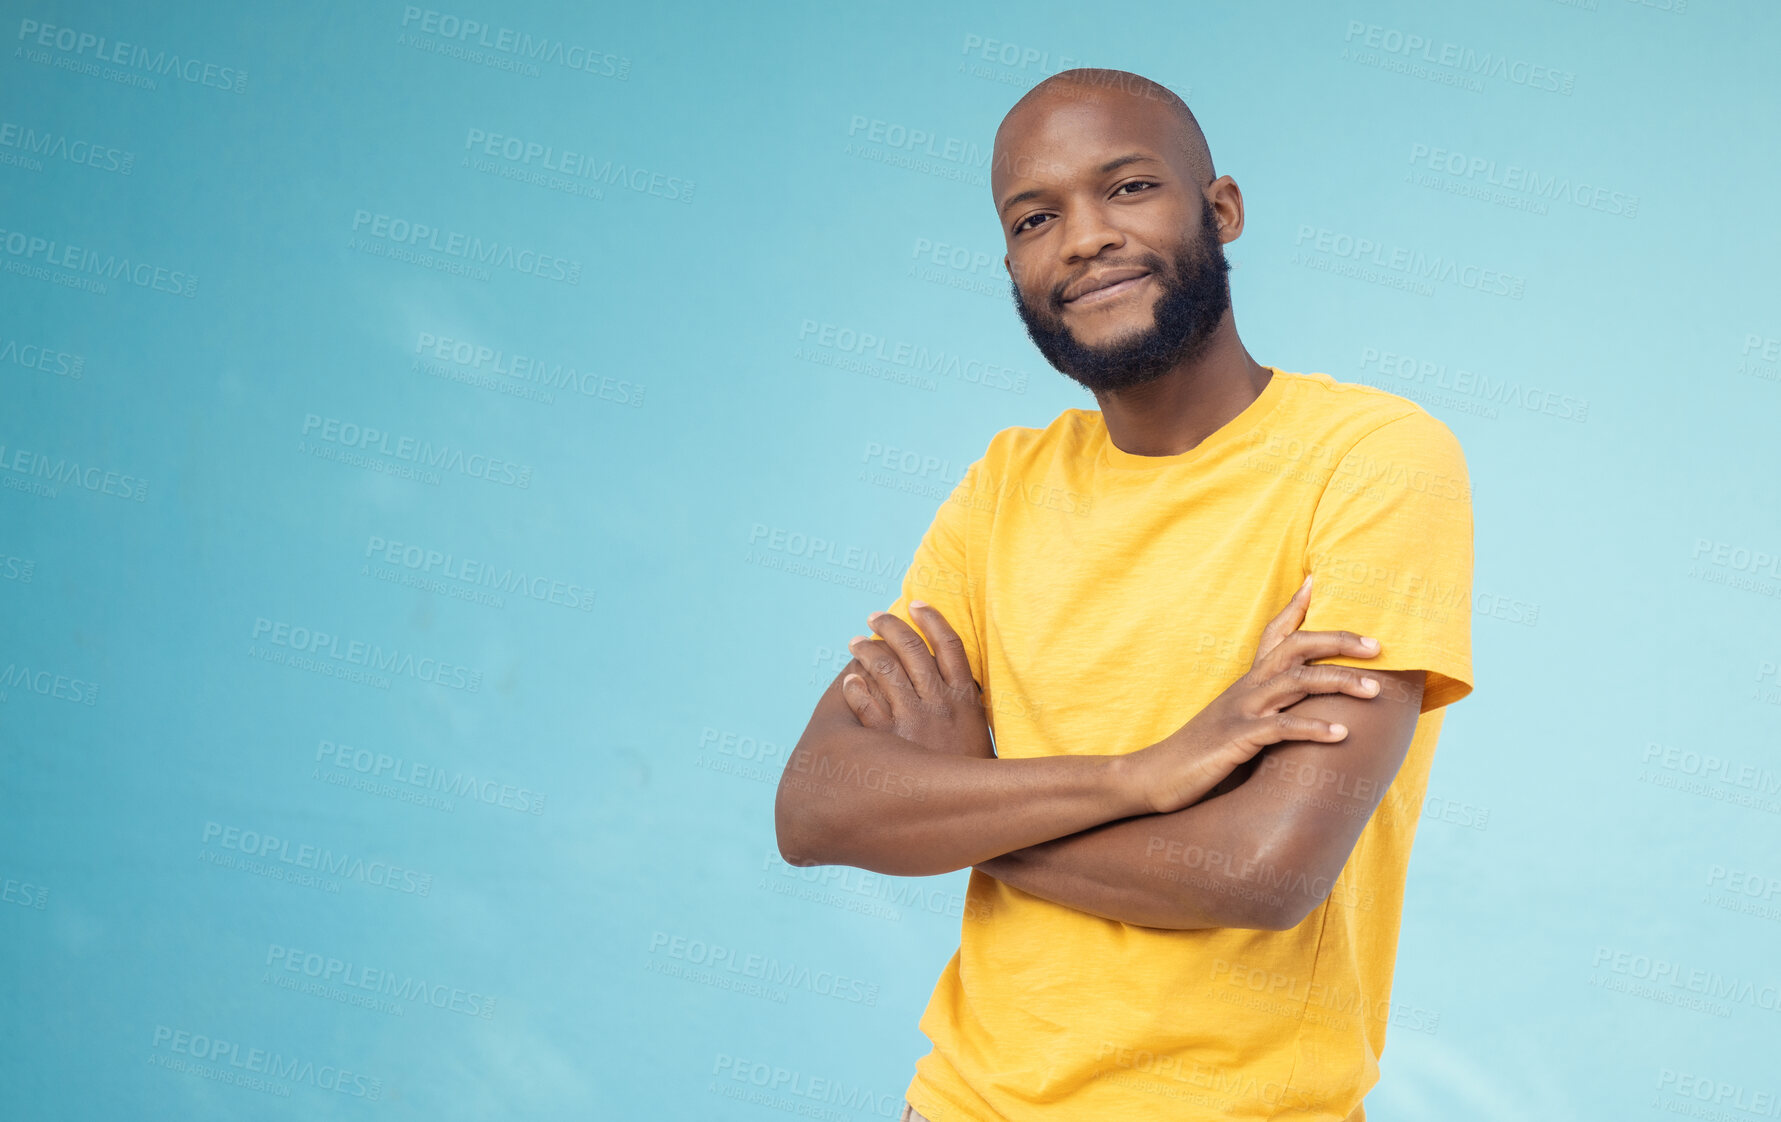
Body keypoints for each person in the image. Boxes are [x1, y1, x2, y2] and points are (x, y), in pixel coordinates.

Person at [775, 66, 1475, 1122]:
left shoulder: (1371, 460)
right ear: (1010, 261)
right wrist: (1142, 776)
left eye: (1128, 188)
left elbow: (1261, 871)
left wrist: (963, 801)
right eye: (1033, 217)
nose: (1082, 237)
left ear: (1220, 208)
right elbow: (819, 803)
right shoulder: (1002, 484)